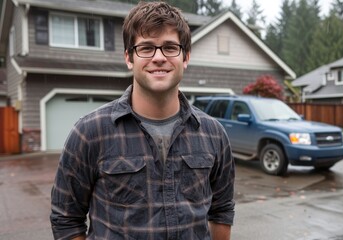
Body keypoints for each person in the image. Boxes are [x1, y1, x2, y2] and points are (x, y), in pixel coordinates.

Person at [50, 1, 235, 239]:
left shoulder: (214, 134)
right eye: (146, 48)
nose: (158, 57)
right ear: (129, 58)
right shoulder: (90, 132)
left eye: (170, 47)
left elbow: (221, 211)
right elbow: (66, 219)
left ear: (186, 57)